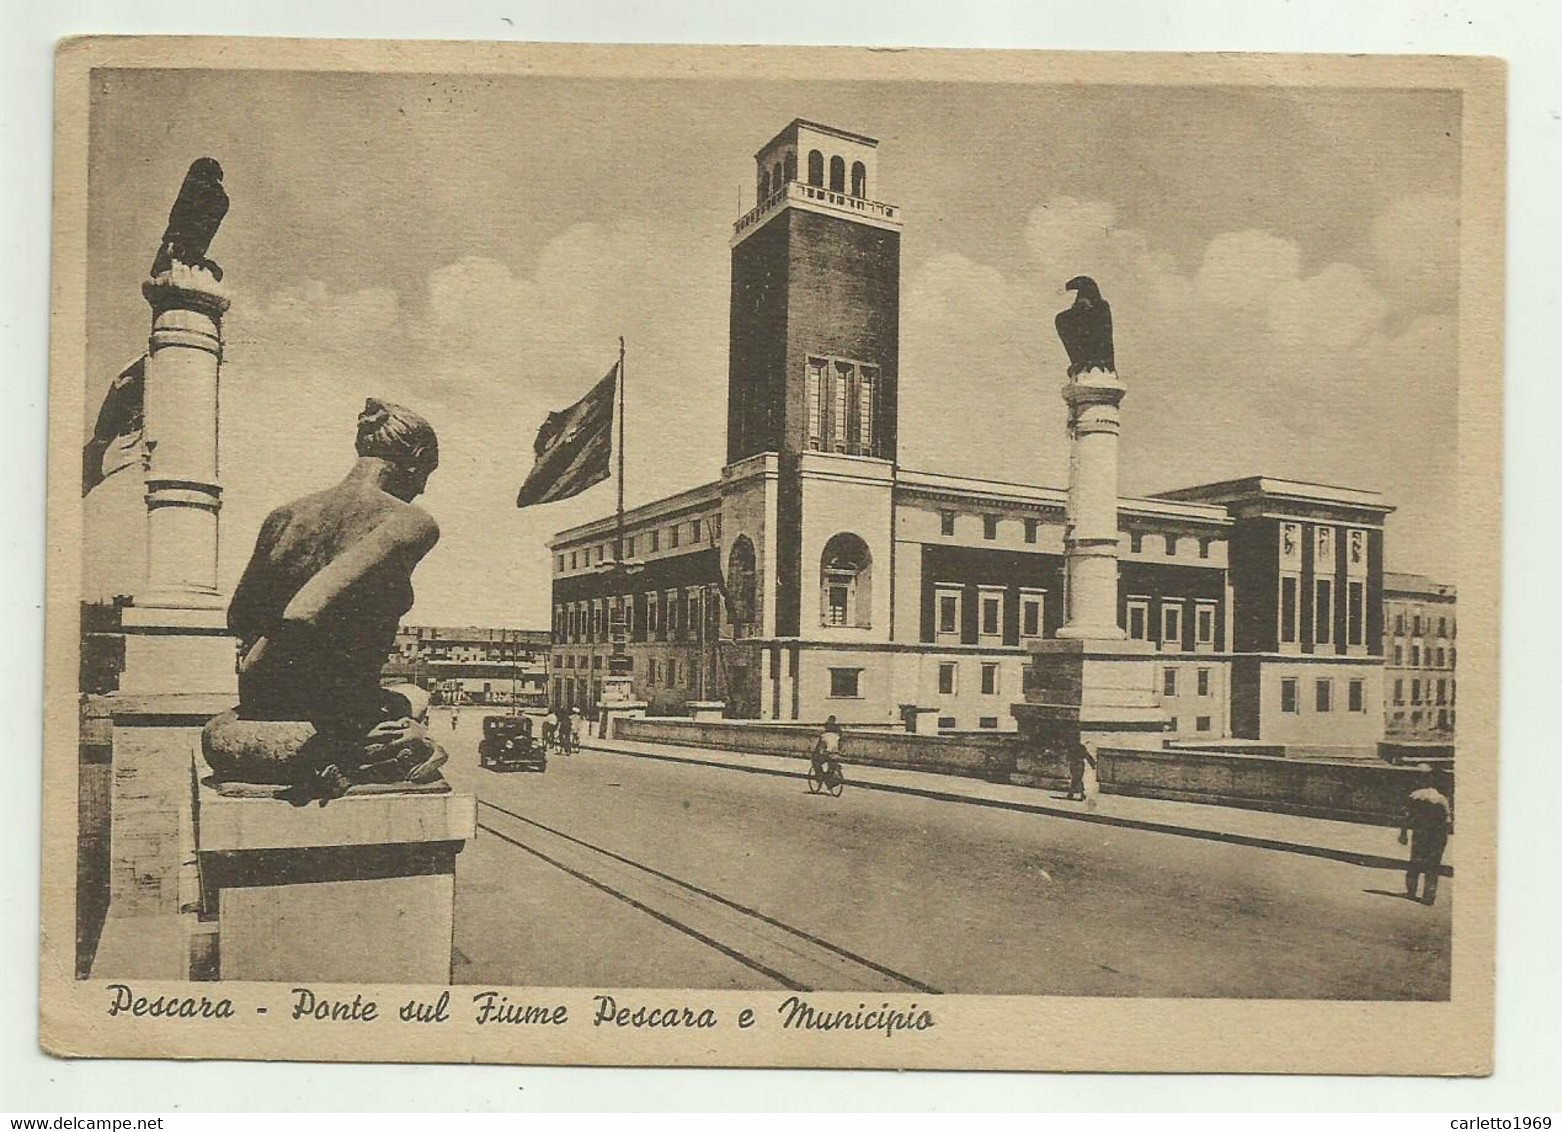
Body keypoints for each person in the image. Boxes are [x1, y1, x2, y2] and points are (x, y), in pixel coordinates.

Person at [209, 398, 446, 798]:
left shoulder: (284, 514)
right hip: (329, 710)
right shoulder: (410, 521)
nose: (422, 488)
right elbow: (304, 612)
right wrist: (342, 711)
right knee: (415, 702)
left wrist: (265, 671)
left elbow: (240, 615)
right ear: (417, 459)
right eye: (427, 474)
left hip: (258, 705)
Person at [1399, 766, 1453, 905]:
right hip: (1438, 834)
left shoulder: (1415, 795)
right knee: (1433, 865)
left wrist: (1403, 833)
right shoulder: (1441, 799)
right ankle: (1429, 896)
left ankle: (1411, 892)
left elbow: (1406, 816)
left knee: (1415, 862)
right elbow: (1448, 820)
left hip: (1421, 832)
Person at [811, 715, 844, 789]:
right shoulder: (837, 736)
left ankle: (820, 777)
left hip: (827, 755)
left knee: (815, 761)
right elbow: (840, 746)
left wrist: (816, 753)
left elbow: (819, 748)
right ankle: (830, 781)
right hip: (836, 755)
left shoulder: (824, 736)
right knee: (831, 765)